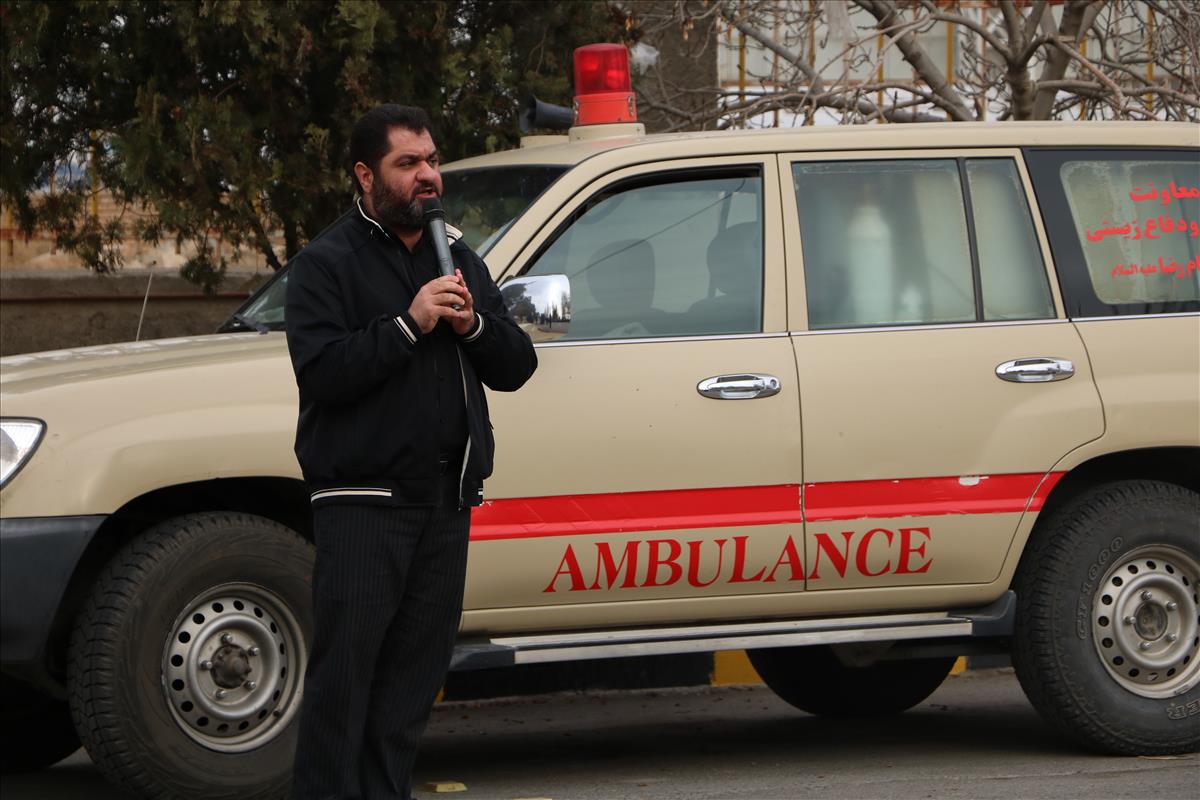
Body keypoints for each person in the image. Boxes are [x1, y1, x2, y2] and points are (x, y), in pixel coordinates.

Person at [284, 104, 538, 799]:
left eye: (431, 160)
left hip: (445, 504)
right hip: (364, 504)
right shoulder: (326, 264)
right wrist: (410, 322)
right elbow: (323, 374)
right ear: (366, 175)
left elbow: (517, 366)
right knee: (344, 687)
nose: (428, 175)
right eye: (408, 163)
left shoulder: (456, 255)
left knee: (409, 691)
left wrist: (474, 324)